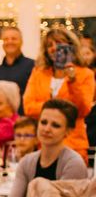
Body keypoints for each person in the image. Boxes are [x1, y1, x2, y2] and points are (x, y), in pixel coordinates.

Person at [23, 26, 95, 162]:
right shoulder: (38, 73)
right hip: (43, 145)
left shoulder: (85, 74)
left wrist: (73, 81)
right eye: (50, 45)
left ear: (71, 46)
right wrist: (60, 109)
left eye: (59, 43)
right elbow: (29, 107)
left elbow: (83, 109)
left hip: (73, 145)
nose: (54, 48)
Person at [0, 26, 35, 109]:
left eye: (14, 39)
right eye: (6, 39)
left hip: (24, 120)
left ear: (21, 42)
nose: (9, 42)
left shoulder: (33, 66)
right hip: (1, 120)